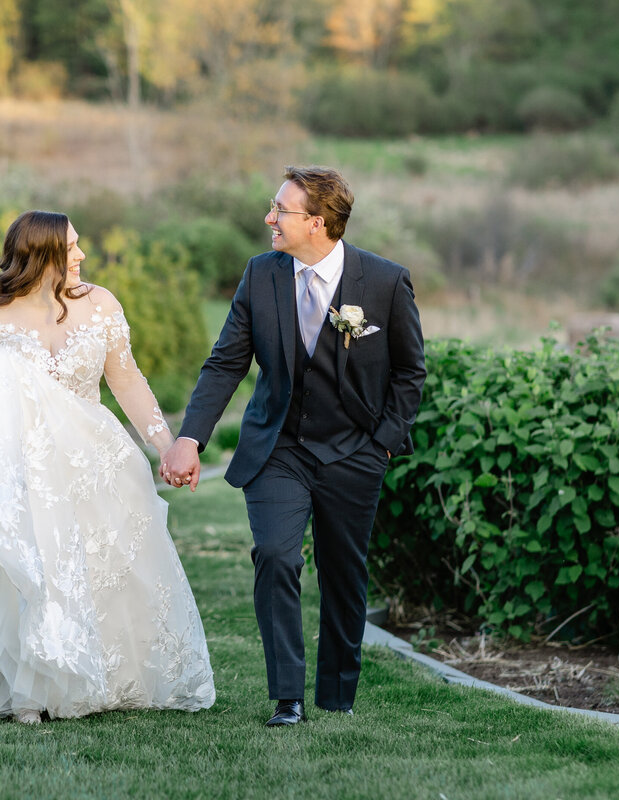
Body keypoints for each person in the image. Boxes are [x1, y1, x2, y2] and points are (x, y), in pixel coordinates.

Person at [0, 210, 215, 724]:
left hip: (90, 458)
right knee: (28, 570)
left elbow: (126, 379)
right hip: (19, 463)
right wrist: (6, 377)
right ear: (40, 257)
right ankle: (24, 689)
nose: (82, 255)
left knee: (92, 569)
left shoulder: (101, 305)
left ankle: (87, 675)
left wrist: (165, 444)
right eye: (70, 249)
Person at [161, 166, 425, 727]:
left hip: (355, 450)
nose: (269, 219)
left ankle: (335, 692)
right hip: (278, 446)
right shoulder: (261, 275)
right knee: (277, 556)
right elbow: (226, 361)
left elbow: (409, 372)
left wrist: (382, 444)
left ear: (319, 222)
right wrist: (190, 437)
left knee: (342, 572)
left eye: (280, 210)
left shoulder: (382, 281)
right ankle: (288, 697)